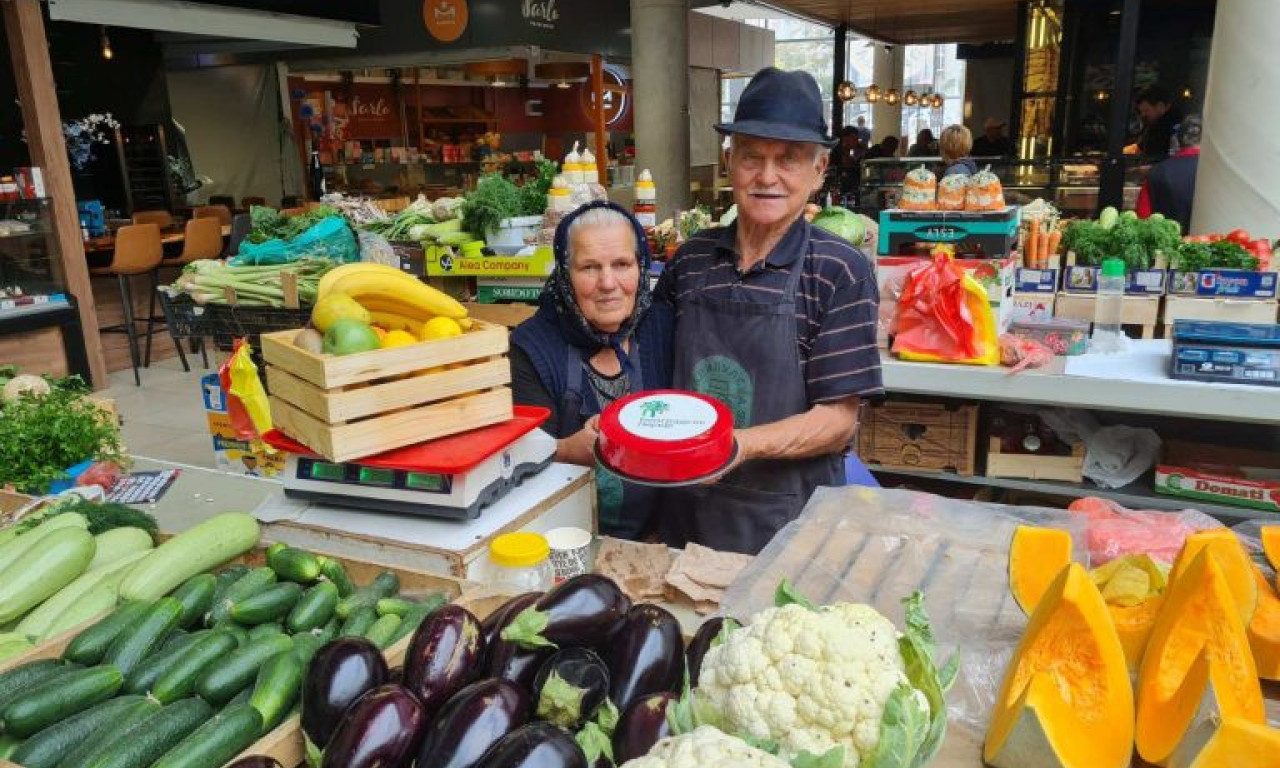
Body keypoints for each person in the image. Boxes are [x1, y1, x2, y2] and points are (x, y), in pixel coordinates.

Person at [656, 67, 883, 554]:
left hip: (788, 522)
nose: (767, 176)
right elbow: (652, 372)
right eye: (752, 157)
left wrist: (737, 446)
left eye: (789, 160)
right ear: (728, 162)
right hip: (682, 509)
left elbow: (839, 419)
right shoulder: (691, 260)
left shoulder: (839, 270)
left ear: (819, 171)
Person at [510, 201, 673, 539]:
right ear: (565, 274)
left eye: (622, 264)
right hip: (566, 537)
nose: (608, 282)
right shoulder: (532, 346)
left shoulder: (662, 327)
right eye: (589, 268)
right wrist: (567, 450)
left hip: (662, 538)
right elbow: (516, 463)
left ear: (641, 266)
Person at [1137, 115, 1202, 231]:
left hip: (1168, 247)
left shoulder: (1157, 172)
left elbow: (1143, 220)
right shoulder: (1218, 174)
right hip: (1211, 244)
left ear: (1178, 140)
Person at [1133, 85, 1184, 159]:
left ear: (1160, 106)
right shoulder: (1153, 124)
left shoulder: (1170, 128)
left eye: (1147, 110)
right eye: (1141, 112)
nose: (1143, 115)